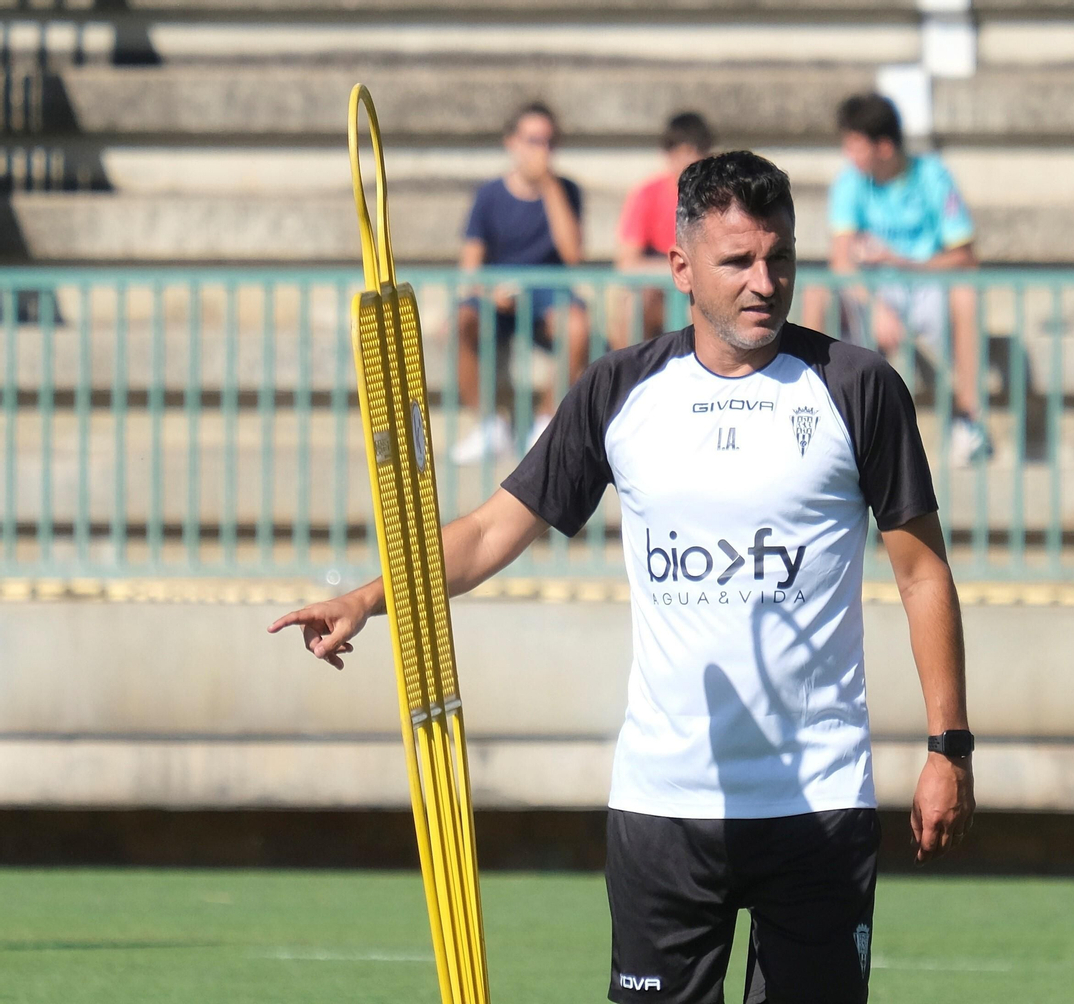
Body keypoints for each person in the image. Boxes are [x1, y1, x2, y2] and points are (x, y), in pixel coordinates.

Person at [269, 151, 976, 1004]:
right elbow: (494, 529)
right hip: (662, 805)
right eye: (739, 261)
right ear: (680, 267)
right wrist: (369, 597)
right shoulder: (620, 388)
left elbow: (923, 577)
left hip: (819, 803)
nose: (765, 281)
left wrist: (949, 747)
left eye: (780, 257)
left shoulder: (858, 387)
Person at [802, 93, 989, 466]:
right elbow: (841, 260)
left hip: (925, 284)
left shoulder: (932, 175)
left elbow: (965, 257)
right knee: (817, 287)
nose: (848, 155)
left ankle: (970, 420)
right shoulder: (851, 182)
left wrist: (903, 262)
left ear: (884, 147)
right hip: (871, 290)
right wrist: (877, 309)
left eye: (855, 146)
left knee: (966, 291)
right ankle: (809, 405)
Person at [450, 101, 590, 465]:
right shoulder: (489, 195)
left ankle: (545, 425)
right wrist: (488, 293)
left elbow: (573, 254)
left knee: (577, 326)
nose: (540, 151)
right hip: (499, 291)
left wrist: (548, 187)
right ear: (511, 142)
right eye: (532, 141)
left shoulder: (566, 191)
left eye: (547, 142)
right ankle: (488, 424)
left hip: (549, 291)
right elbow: (469, 270)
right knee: (462, 320)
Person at [610, 112, 715, 345]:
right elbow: (626, 263)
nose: (688, 161)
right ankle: (630, 377)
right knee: (634, 306)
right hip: (658, 295)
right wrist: (680, 272)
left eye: (695, 152)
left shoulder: (719, 199)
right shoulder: (647, 194)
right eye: (681, 152)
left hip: (702, 293)